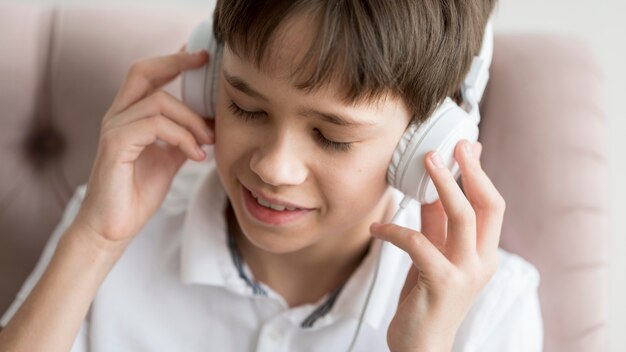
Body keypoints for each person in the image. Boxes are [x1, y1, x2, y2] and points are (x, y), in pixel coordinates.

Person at [0, 0, 543, 351]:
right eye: (245, 107)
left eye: (332, 136)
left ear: (430, 143)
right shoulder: (109, 223)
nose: (272, 167)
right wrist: (94, 241)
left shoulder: (492, 308)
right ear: (209, 74)